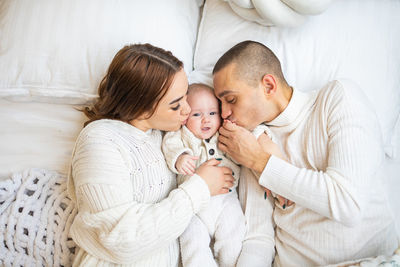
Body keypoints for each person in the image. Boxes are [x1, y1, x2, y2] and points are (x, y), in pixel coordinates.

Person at [212, 40, 398, 266]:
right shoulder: (251, 142)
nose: (224, 113)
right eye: (220, 103)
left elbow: (348, 204)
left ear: (269, 86)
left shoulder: (337, 98)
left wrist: (260, 161)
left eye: (231, 100)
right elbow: (258, 238)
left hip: (370, 259)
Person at [67, 43, 235, 267]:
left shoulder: (165, 135)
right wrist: (200, 187)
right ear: (142, 109)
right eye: (176, 106)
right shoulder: (100, 140)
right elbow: (121, 241)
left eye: (185, 95)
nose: (187, 110)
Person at [162, 83, 245, 267]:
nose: (206, 120)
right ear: (185, 117)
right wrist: (180, 158)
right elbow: (170, 146)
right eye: (197, 114)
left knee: (234, 237)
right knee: (193, 244)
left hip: (226, 200)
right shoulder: (181, 135)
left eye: (212, 113)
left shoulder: (224, 134)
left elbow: (242, 152)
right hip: (193, 209)